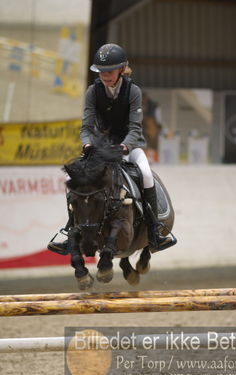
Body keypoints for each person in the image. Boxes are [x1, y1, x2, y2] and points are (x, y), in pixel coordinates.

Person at [48, 43, 176, 255]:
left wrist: (125, 145)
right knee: (78, 178)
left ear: (121, 69)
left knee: (145, 173)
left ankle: (155, 231)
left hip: (129, 145)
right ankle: (71, 230)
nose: (104, 75)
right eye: (101, 71)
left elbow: (135, 128)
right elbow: (86, 126)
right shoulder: (93, 91)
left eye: (109, 71)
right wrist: (88, 143)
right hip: (99, 148)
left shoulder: (133, 91)